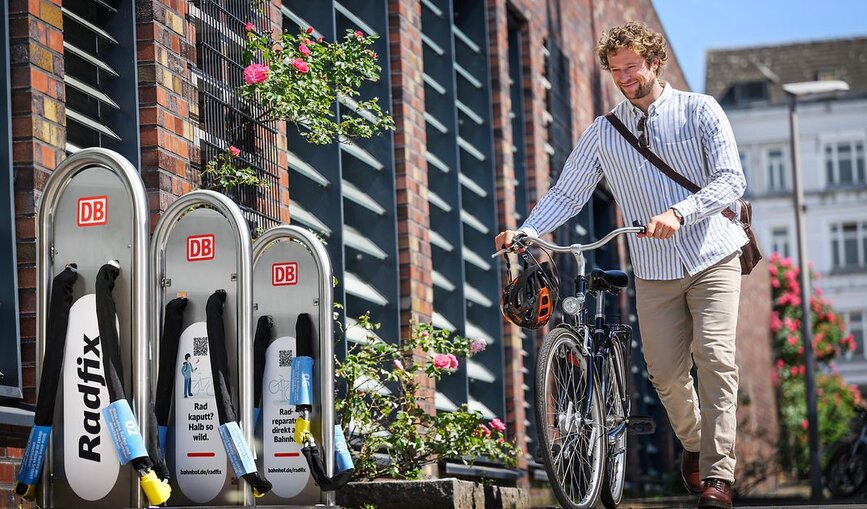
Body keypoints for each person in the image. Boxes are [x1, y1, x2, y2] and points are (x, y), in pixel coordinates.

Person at [495, 21, 746, 509]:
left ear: (655, 62)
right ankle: (695, 444)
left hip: (714, 256)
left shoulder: (700, 111)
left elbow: (730, 180)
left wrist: (680, 212)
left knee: (715, 358)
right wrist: (527, 231)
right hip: (654, 271)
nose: (625, 77)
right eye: (616, 70)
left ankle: (718, 477)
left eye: (633, 66)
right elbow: (568, 192)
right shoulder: (604, 132)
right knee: (665, 374)